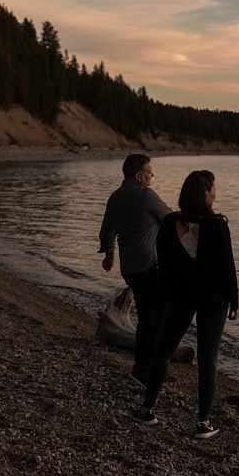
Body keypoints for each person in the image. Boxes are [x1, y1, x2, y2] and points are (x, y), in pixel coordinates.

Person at [133, 170, 239, 440]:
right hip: (213, 301)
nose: (216, 192)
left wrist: (166, 294)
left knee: (162, 352)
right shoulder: (218, 226)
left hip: (179, 297)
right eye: (213, 188)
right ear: (205, 193)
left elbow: (164, 265)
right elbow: (228, 267)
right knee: (208, 360)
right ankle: (203, 423)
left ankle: (147, 410)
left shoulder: (169, 222)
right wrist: (235, 301)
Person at [98, 154, 173, 388]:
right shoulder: (145, 196)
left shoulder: (115, 197)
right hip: (149, 267)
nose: (153, 175)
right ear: (138, 176)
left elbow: (106, 230)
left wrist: (109, 254)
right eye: (150, 171)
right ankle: (147, 369)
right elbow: (171, 218)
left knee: (147, 317)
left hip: (129, 269)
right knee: (159, 318)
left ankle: (145, 368)